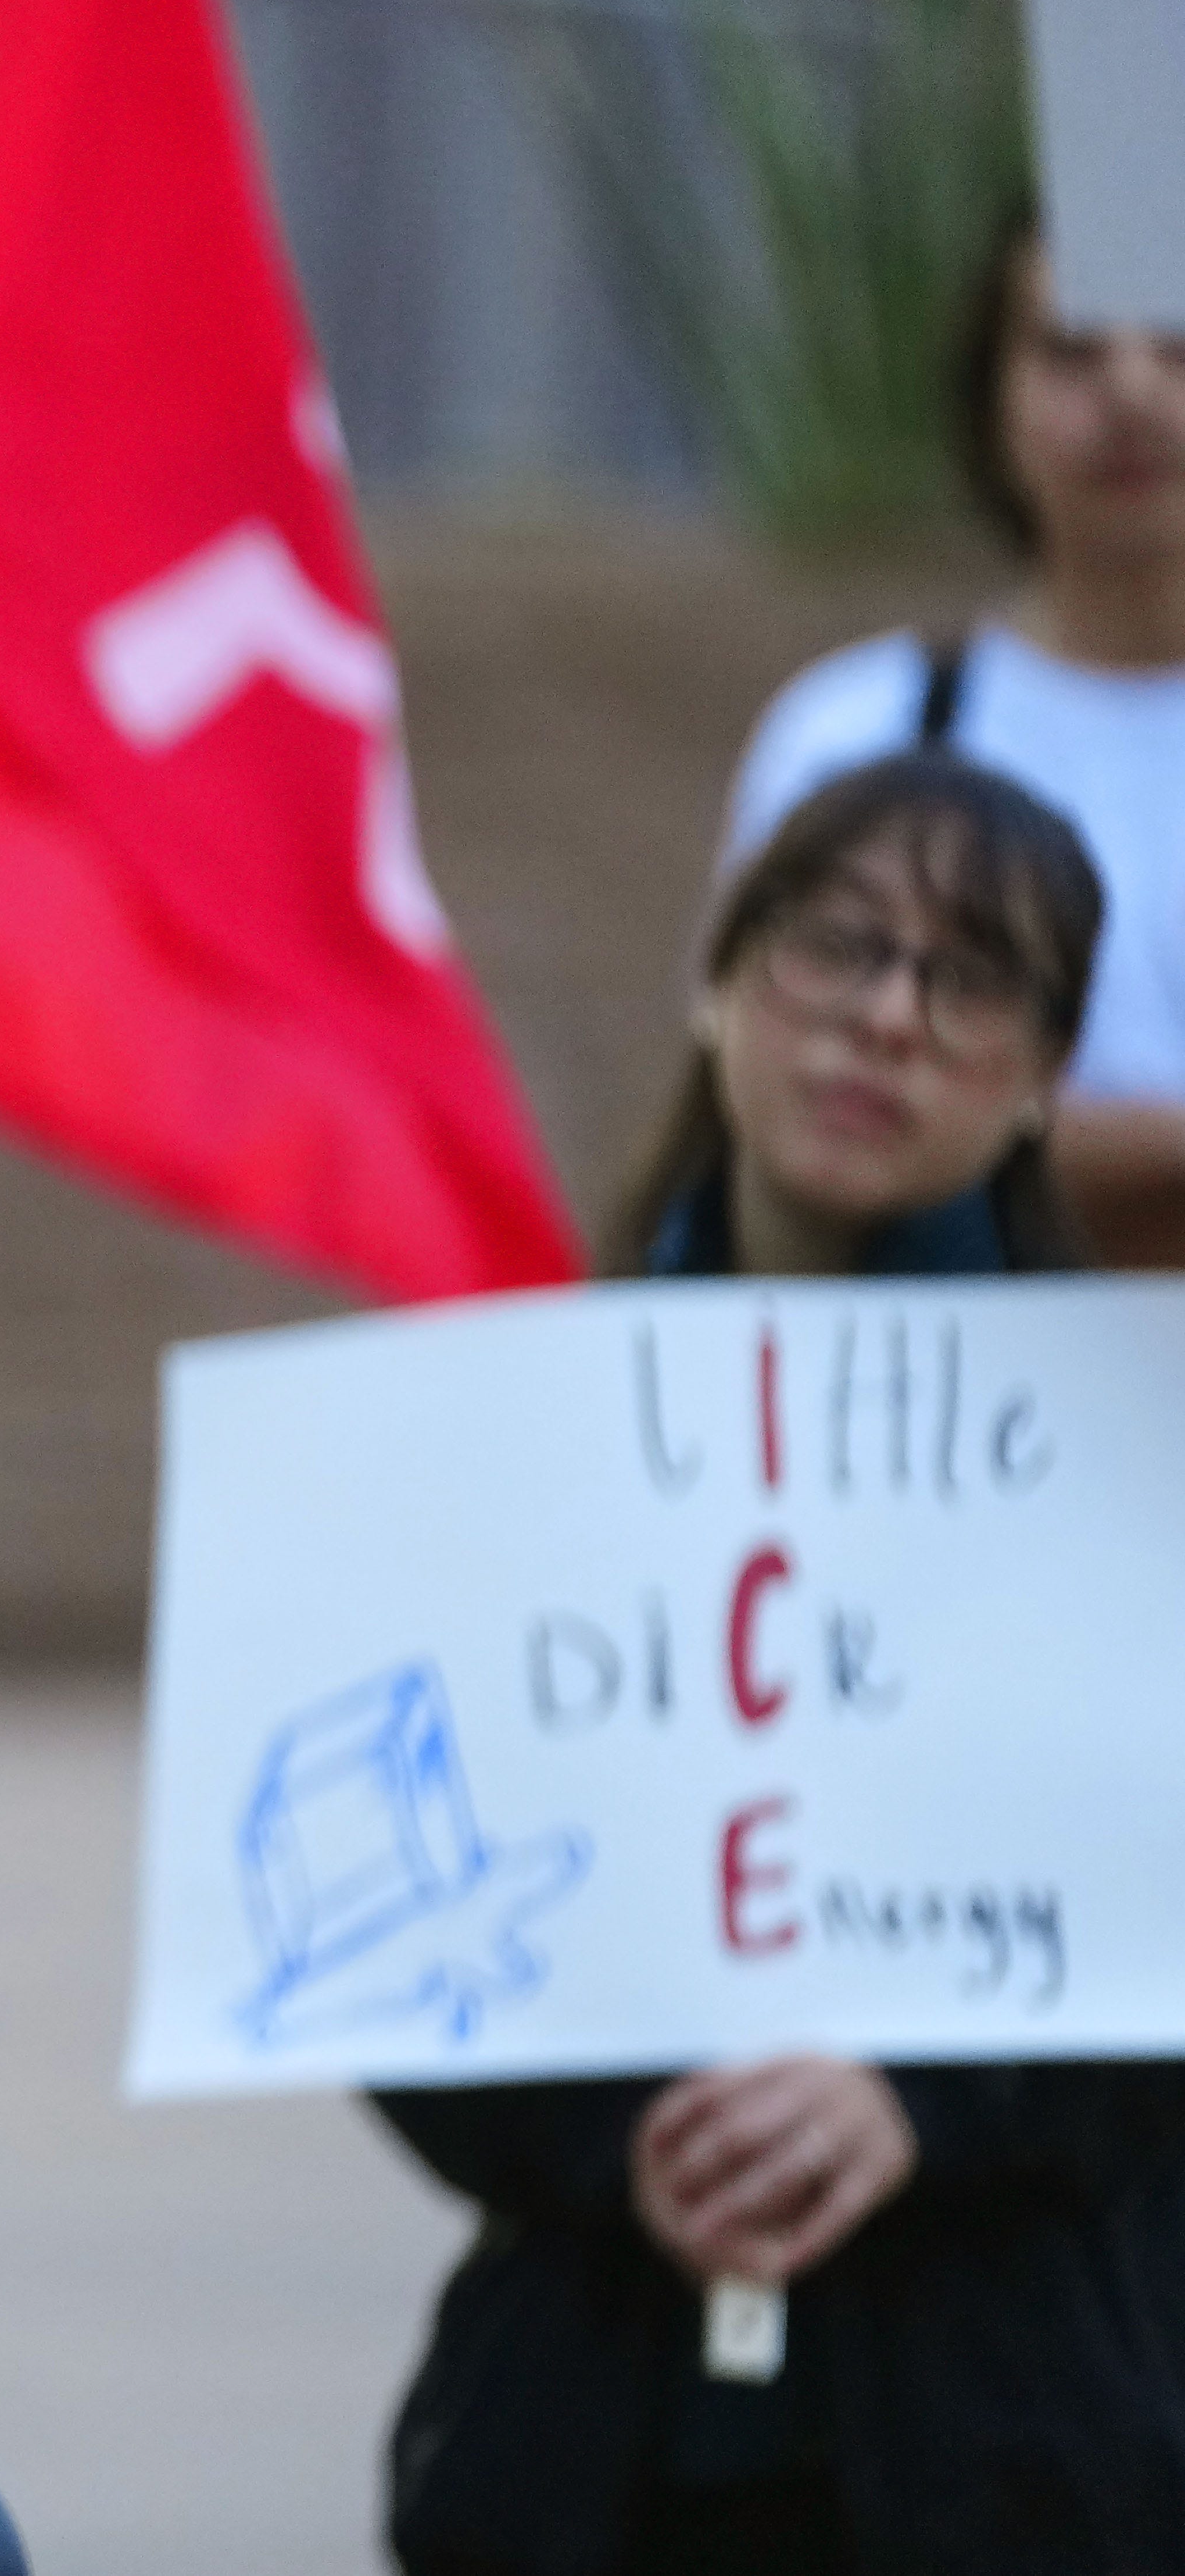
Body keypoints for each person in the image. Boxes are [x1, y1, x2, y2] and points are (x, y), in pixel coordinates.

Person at [373, 749, 1185, 2575]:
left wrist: (919, 2101)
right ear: (719, 975)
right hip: (584, 2442)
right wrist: (624, 2135)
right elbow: (398, 1945)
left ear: (1044, 1073)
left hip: (1013, 2443)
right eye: (838, 942)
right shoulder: (517, 1427)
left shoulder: (1141, 1462)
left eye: (970, 976)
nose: (887, 1015)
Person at [722, 206, 1185, 1264]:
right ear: (990, 396)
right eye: (1070, 350)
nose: (1131, 394)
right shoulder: (862, 725)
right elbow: (774, 1101)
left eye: (1178, 348)